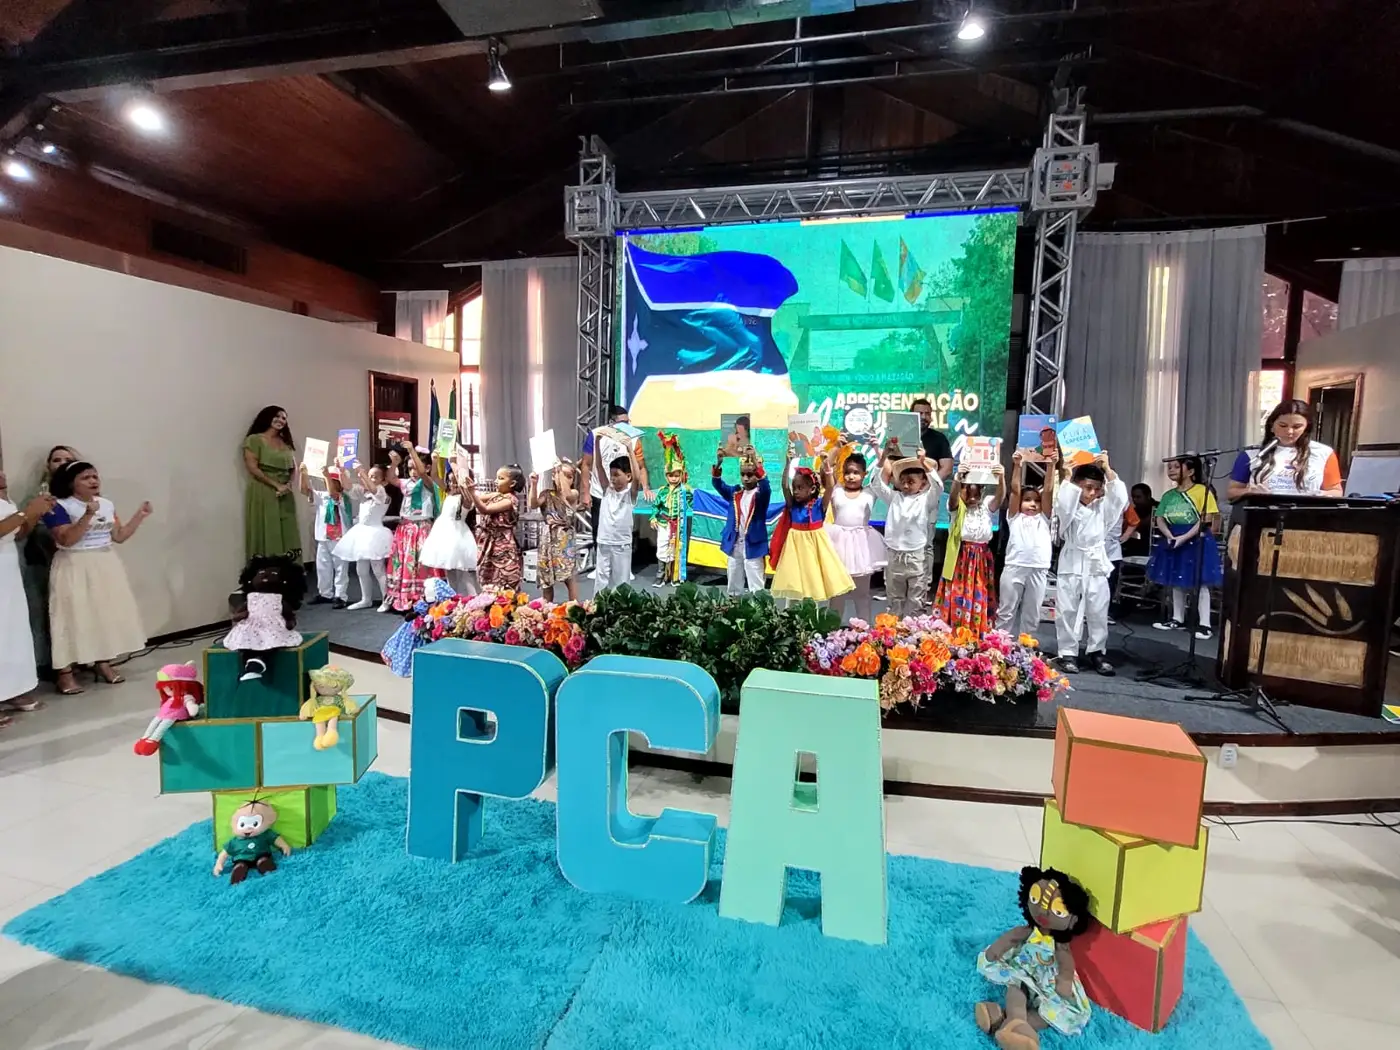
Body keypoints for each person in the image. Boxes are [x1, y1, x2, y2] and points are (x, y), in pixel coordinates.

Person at [43, 461, 152, 695]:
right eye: (85, 478)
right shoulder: (57, 506)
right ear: (70, 483)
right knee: (70, 616)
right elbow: (66, 539)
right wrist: (87, 515)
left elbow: (119, 536)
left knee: (103, 614)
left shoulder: (106, 504)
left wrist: (139, 516)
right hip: (74, 564)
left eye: (95, 476)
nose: (93, 481)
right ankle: (65, 674)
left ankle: (103, 662)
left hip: (105, 562)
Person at [1053, 454, 1126, 676]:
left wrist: (1107, 468)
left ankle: (1097, 651)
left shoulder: (1103, 508)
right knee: (1067, 609)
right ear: (1078, 486)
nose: (1092, 493)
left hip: (1095, 562)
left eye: (1097, 488)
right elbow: (1064, 501)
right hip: (1072, 560)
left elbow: (1119, 498)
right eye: (1087, 488)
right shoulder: (1069, 507)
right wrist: (1067, 475)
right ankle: (1067, 652)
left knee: (1098, 609)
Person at [1149, 456, 1223, 641]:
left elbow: (1206, 519)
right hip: (1173, 538)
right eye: (1170, 467)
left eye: (1176, 467)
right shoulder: (1168, 495)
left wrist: (1184, 537)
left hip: (1196, 539)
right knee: (1176, 579)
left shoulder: (1202, 491)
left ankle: (1205, 624)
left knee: (1200, 582)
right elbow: (1160, 518)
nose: (1171, 470)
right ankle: (1177, 618)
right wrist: (1169, 535)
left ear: (1191, 471)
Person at [769, 447, 854, 604]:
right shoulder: (793, 506)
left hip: (815, 548)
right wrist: (788, 464)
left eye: (800, 488)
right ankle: (791, 615)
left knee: (813, 583)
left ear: (812, 489)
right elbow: (785, 487)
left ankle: (812, 615)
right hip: (795, 550)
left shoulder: (820, 505)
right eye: (795, 488)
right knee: (794, 584)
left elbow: (830, 487)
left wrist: (826, 465)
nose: (795, 491)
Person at [0, 471, 54, 721]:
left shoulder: (4, 498)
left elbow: (18, 533)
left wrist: (35, 514)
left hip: (8, 570)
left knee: (12, 631)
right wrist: (26, 512)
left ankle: (12, 690)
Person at [20, 444, 77, 677]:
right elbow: (24, 530)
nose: (62, 464)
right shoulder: (39, 496)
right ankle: (54, 666)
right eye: (57, 460)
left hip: (76, 560)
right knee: (48, 612)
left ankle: (85, 658)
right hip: (43, 559)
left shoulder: (84, 495)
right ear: (48, 465)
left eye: (67, 460)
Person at [869, 445, 941, 619]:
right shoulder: (894, 497)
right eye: (903, 481)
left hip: (916, 556)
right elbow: (876, 484)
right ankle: (893, 630)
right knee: (895, 599)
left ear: (922, 483)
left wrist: (924, 463)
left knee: (917, 599)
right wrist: (882, 458)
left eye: (911, 481)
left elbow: (938, 487)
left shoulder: (926, 500)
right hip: (894, 554)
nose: (906, 485)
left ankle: (915, 630)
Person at [935, 461, 1005, 637]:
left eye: (976, 493)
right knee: (958, 593)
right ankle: (954, 632)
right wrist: (958, 479)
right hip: (961, 557)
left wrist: (1001, 478)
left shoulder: (985, 506)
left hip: (981, 558)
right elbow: (953, 499)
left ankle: (975, 632)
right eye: (968, 493)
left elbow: (999, 499)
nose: (972, 498)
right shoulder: (957, 507)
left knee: (979, 592)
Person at [1228, 399, 1343, 500]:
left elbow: (1336, 491)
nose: (1289, 432)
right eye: (1283, 426)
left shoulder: (1323, 452)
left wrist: (1320, 495)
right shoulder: (1252, 454)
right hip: (1263, 514)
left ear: (1306, 428)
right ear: (1272, 426)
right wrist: (1250, 492)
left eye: (1297, 427)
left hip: (1306, 514)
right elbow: (1232, 492)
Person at [996, 449, 1056, 638]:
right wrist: (1017, 465)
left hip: (1038, 568)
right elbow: (1015, 490)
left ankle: (1026, 649)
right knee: (1006, 611)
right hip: (1014, 566)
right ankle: (1000, 646)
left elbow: (1048, 491)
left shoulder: (1044, 518)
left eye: (1036, 501)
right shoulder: (1015, 517)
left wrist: (1051, 465)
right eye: (1027, 500)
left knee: (1032, 614)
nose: (1033, 504)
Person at [826, 451, 886, 623]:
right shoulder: (836, 490)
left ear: (864, 474)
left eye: (856, 472)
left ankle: (863, 629)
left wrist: (881, 451)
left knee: (862, 593)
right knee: (837, 592)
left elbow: (881, 471)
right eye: (847, 472)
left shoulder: (870, 492)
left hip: (861, 547)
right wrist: (837, 447)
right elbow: (826, 469)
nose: (851, 476)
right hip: (838, 545)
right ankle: (833, 629)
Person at [580, 405, 648, 556]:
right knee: (600, 530)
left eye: (628, 422)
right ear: (612, 422)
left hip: (623, 494)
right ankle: (601, 562)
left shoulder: (633, 438)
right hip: (601, 493)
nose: (627, 426)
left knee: (621, 530)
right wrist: (585, 493)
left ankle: (622, 562)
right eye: (623, 422)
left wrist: (645, 488)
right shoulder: (596, 435)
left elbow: (641, 467)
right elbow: (586, 464)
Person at [381, 446, 438, 613]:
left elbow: (422, 473)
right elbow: (391, 478)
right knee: (403, 562)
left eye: (416, 467)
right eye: (410, 468)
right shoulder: (406, 483)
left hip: (422, 527)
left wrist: (412, 451)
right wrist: (394, 463)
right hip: (405, 528)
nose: (413, 471)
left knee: (420, 563)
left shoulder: (428, 483)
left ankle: (422, 598)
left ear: (427, 467)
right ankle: (401, 597)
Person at [242, 406, 300, 561]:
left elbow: (293, 467)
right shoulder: (254, 440)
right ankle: (266, 569)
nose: (281, 420)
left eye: (284, 418)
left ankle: (290, 570)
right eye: (277, 416)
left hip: (285, 492)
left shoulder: (285, 442)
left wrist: (288, 484)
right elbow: (252, 468)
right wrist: (276, 485)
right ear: (267, 417)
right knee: (268, 527)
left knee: (287, 529)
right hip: (264, 490)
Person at [712, 444, 771, 596]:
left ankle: (758, 608)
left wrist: (755, 460)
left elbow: (766, 486)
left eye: (750, 474)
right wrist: (719, 463)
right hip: (735, 543)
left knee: (756, 583)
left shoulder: (761, 495)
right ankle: (733, 606)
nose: (745, 478)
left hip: (753, 544)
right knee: (733, 581)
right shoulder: (735, 492)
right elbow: (717, 484)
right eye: (743, 474)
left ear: (757, 474)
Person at [334, 465, 393, 611]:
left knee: (378, 569)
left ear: (384, 481)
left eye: (375, 477)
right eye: (370, 475)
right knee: (361, 569)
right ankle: (366, 599)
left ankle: (386, 599)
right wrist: (341, 471)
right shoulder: (364, 492)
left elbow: (374, 490)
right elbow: (347, 486)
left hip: (375, 533)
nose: (371, 479)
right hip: (361, 532)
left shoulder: (381, 493)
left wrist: (363, 474)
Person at [420, 463, 480, 597]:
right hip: (443, 533)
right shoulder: (449, 493)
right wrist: (434, 460)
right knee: (450, 569)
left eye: (455, 481)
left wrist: (461, 474)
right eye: (450, 481)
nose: (452, 484)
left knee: (463, 571)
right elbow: (434, 476)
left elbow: (468, 501)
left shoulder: (466, 498)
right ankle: (453, 597)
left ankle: (473, 598)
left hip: (458, 534)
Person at [467, 463, 526, 590]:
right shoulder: (496, 495)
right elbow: (476, 499)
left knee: (505, 578)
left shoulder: (510, 500)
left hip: (502, 543)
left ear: (512, 483)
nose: (496, 481)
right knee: (487, 577)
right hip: (488, 541)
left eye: (500, 478)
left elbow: (485, 509)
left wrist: (472, 492)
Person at [301, 464, 352, 609]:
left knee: (340, 568)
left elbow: (333, 495)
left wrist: (326, 475)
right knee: (323, 566)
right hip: (323, 537)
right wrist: (303, 474)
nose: (328, 482)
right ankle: (325, 593)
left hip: (339, 537)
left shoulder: (343, 497)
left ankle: (340, 595)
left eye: (333, 480)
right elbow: (304, 490)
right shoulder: (322, 496)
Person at [529, 461, 580, 603]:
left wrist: (559, 472)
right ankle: (547, 607)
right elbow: (533, 504)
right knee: (546, 577)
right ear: (553, 476)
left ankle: (574, 608)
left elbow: (567, 494)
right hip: (548, 539)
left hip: (564, 539)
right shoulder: (546, 494)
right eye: (561, 474)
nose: (565, 478)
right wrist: (534, 484)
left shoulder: (573, 493)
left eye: (569, 476)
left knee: (569, 576)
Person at [593, 451, 640, 596]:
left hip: (621, 544)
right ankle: (598, 605)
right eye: (611, 474)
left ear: (628, 476)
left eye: (616, 475)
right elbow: (599, 466)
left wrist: (629, 449)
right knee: (601, 579)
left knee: (621, 582)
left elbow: (637, 477)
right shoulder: (607, 491)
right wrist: (597, 443)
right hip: (604, 541)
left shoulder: (630, 495)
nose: (613, 478)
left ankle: (621, 607)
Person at [649, 433, 693, 587]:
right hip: (663, 523)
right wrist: (653, 517)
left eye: (676, 475)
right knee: (662, 548)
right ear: (666, 476)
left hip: (678, 523)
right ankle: (660, 575)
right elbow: (656, 506)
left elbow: (693, 503)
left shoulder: (685, 490)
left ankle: (675, 576)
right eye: (670, 476)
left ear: (681, 475)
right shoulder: (662, 491)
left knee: (676, 549)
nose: (673, 478)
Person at [1120, 484, 1156, 558]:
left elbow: (1143, 523)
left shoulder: (1159, 508)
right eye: (1133, 497)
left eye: (1138, 497)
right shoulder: (1135, 510)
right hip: (1141, 546)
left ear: (1148, 496)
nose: (1135, 500)